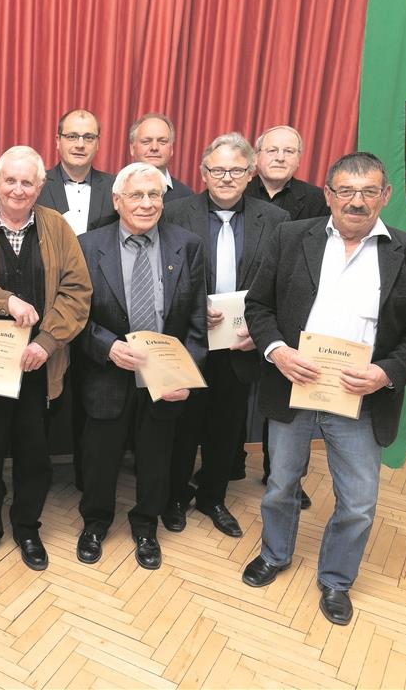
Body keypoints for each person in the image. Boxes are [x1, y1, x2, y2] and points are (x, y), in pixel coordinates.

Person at [241, 152, 406, 627]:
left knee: (357, 501)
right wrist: (277, 352)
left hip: (363, 399)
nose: (357, 202)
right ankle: (275, 553)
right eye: (346, 191)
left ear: (385, 196)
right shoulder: (291, 237)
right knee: (281, 484)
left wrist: (385, 372)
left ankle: (336, 579)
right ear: (328, 194)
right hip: (295, 388)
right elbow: (258, 307)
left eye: (368, 191)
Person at [0, 146, 92, 573]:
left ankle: (27, 527)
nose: (18, 189)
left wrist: (47, 342)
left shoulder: (58, 229)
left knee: (34, 455)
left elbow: (77, 293)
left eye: (28, 182)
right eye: (10, 180)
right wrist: (3, 300)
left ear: (41, 186)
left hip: (38, 366)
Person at [74, 163, 206, 570]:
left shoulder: (187, 245)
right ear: (117, 201)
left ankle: (146, 526)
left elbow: (198, 321)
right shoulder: (85, 245)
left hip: (163, 380)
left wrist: (187, 375)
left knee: (156, 459)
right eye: (136, 195)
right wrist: (106, 346)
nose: (147, 203)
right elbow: (72, 317)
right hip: (107, 374)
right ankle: (95, 523)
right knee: (99, 458)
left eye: (154, 195)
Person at [161, 133, 289, 539]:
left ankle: (213, 497)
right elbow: (162, 274)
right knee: (182, 426)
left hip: (241, 345)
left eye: (236, 169)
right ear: (203, 173)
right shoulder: (175, 213)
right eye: (218, 170)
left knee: (227, 426)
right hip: (189, 340)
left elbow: (281, 286)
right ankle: (175, 497)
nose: (227, 177)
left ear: (251, 172)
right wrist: (194, 307)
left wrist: (264, 330)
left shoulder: (276, 221)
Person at [240, 124, 332, 498]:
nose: (280, 157)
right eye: (272, 150)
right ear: (256, 157)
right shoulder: (237, 189)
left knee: (287, 395)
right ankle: (229, 463)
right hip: (245, 306)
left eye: (288, 151)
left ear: (299, 158)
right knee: (234, 387)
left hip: (295, 309)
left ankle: (283, 475)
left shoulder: (316, 200)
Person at [37, 109, 116, 493]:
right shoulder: (37, 183)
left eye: (88, 137)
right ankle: (43, 473)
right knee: (50, 392)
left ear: (98, 142)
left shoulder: (116, 187)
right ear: (58, 141)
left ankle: (89, 475)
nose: (80, 144)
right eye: (72, 136)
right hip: (52, 306)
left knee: (95, 392)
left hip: (105, 309)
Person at [127, 113, 193, 202]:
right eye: (146, 141)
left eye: (162, 141)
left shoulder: (187, 198)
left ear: (171, 149)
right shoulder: (111, 189)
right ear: (132, 148)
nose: (154, 148)